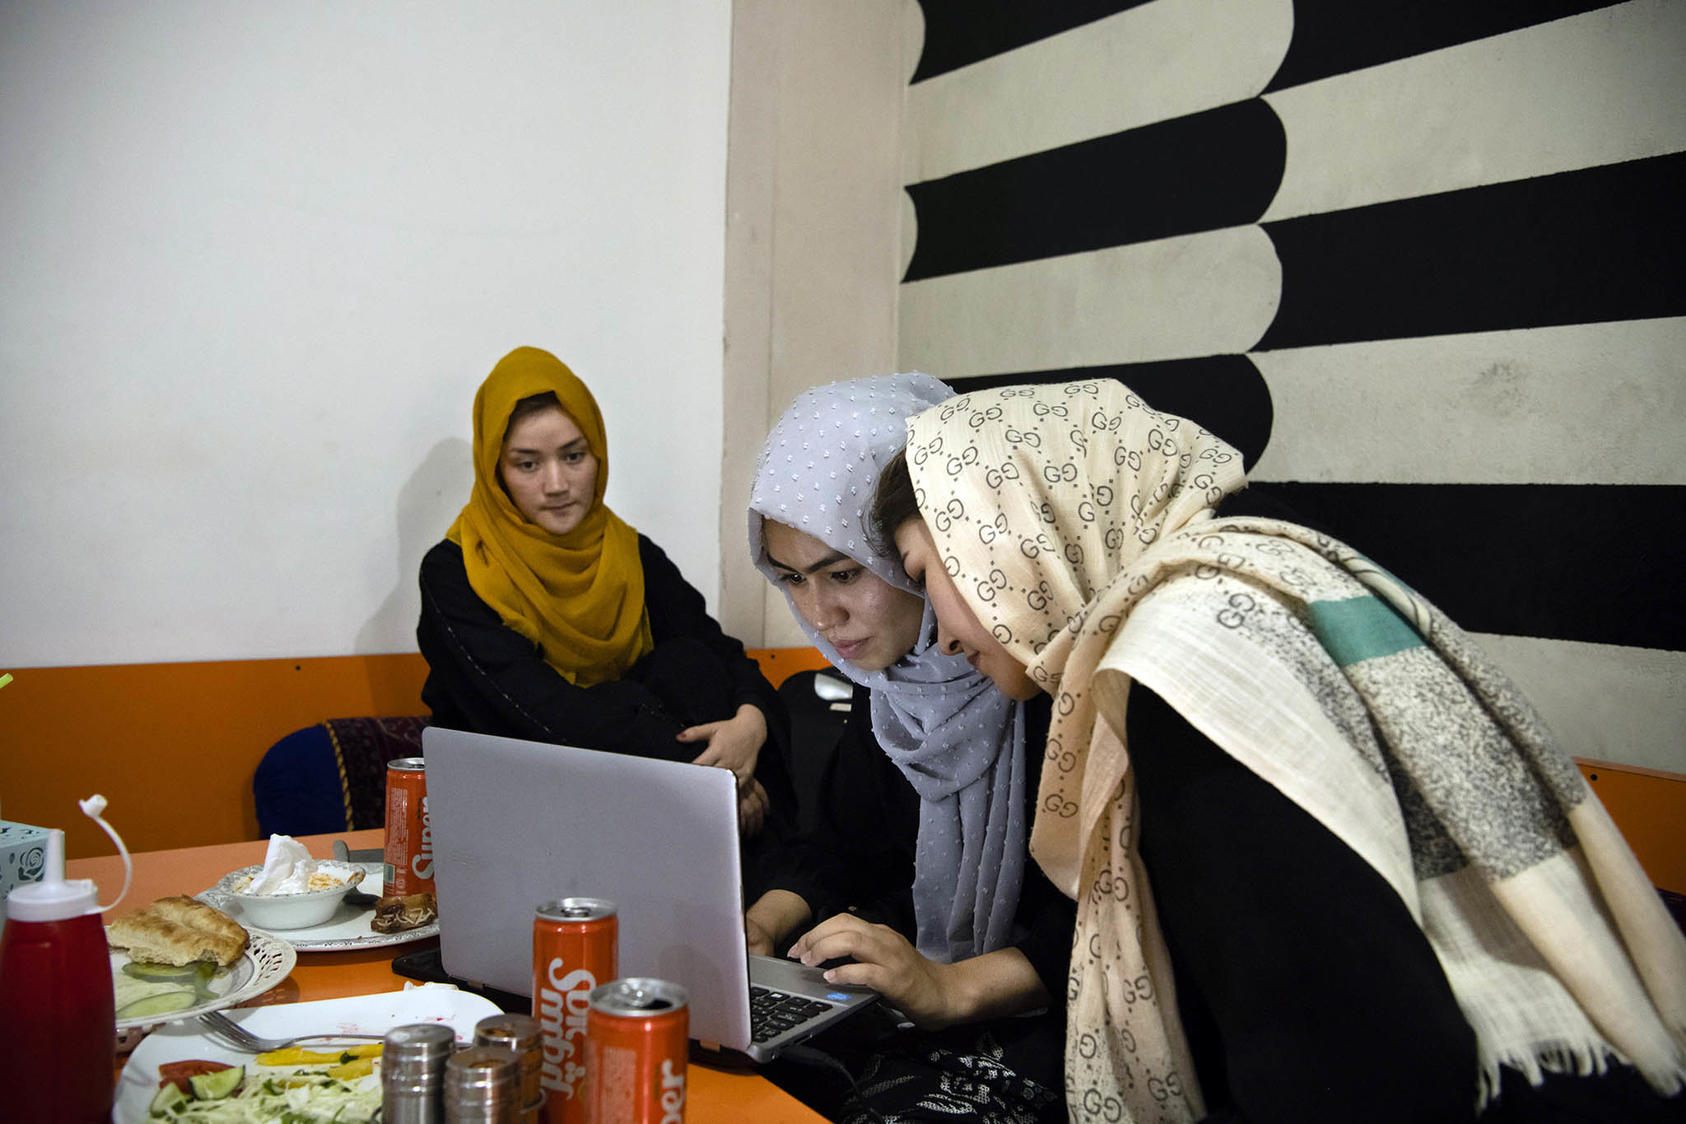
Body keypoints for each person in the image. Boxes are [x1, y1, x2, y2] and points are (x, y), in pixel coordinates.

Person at [871, 379, 1686, 1122]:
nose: (940, 638)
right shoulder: (1246, 575)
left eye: (926, 571)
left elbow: (1346, 1063)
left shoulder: (1182, 669)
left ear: (1005, 536)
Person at [744, 373, 1074, 1124]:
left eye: (844, 572)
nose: (821, 615)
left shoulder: (1039, 677)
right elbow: (846, 848)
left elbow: (1098, 928)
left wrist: (947, 986)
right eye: (792, 579)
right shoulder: (894, 680)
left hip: (1043, 1025)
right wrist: (761, 924)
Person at [416, 346, 790, 844]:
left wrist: (749, 725)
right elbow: (536, 714)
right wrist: (711, 777)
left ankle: (784, 897)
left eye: (573, 456)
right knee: (631, 697)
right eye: (527, 464)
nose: (557, 484)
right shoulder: (456, 571)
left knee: (690, 664)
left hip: (652, 798)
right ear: (495, 471)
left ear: (598, 454)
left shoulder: (630, 554)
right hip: (514, 806)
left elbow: (722, 656)